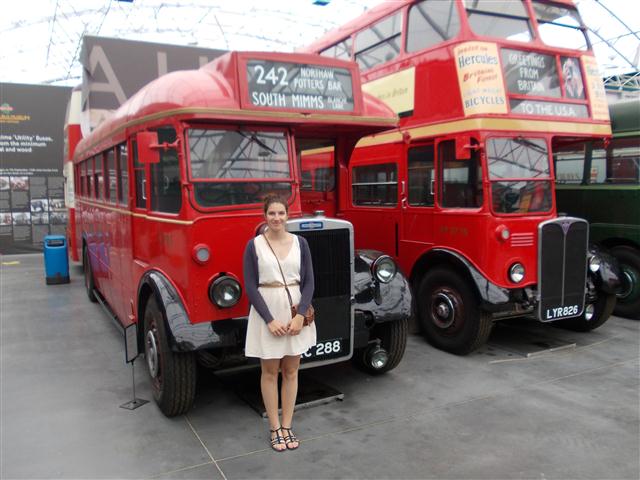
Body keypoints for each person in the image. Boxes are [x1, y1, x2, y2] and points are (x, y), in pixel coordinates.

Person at [243, 194, 316, 452]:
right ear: (264, 216)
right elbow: (251, 286)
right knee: (270, 372)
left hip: (295, 312)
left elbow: (309, 282)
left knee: (292, 371)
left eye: (281, 213)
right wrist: (270, 320)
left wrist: (300, 315)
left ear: (288, 215)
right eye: (272, 213)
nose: (276, 218)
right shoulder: (254, 245)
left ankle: (287, 425)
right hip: (268, 313)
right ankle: (274, 428)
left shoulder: (301, 243)